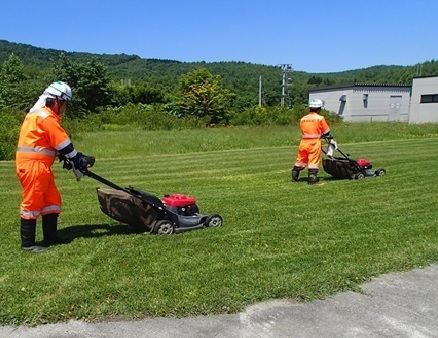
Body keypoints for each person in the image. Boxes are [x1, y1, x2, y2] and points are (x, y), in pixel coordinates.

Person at [16, 81, 94, 252]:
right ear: (57, 101)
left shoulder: (38, 115)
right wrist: (77, 159)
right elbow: (63, 143)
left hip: (41, 166)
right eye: (65, 104)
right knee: (33, 202)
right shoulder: (46, 117)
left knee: (52, 201)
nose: (65, 108)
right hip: (33, 166)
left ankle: (51, 237)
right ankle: (28, 244)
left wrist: (67, 156)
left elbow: (48, 143)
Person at [291, 98, 336, 185]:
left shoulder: (303, 119)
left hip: (303, 143)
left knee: (301, 160)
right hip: (314, 143)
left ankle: (295, 175)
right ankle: (312, 180)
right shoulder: (320, 118)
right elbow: (327, 132)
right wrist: (328, 137)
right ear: (319, 109)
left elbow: (306, 131)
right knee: (313, 161)